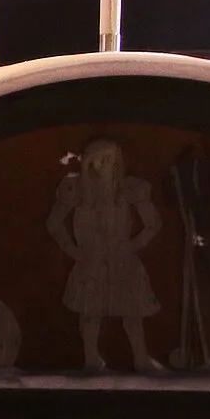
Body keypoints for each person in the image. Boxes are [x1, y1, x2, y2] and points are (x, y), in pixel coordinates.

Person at [46, 137, 163, 371]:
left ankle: (140, 358)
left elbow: (154, 223)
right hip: (91, 260)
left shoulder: (130, 189)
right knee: (90, 312)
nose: (100, 166)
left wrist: (133, 245)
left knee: (132, 314)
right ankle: (91, 359)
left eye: (107, 160)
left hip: (123, 260)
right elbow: (54, 224)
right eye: (96, 160)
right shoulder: (76, 189)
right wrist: (73, 251)